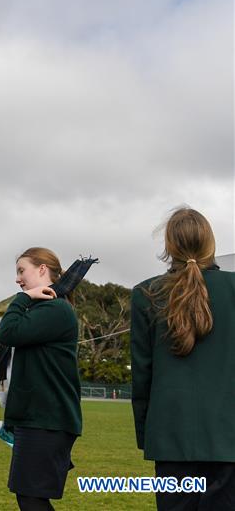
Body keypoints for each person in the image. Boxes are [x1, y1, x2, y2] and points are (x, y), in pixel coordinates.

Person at [131, 208, 235, 511]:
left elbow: (142, 376)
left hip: (169, 437)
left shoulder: (145, 293)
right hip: (228, 440)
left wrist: (147, 435)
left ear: (169, 247)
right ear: (211, 244)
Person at [0, 248, 82, 511]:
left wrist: (21, 299)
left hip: (47, 420)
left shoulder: (55, 309)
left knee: (32, 499)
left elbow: (8, 331)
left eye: (22, 271)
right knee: (29, 497)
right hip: (38, 419)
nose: (18, 279)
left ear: (42, 269)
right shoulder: (44, 308)